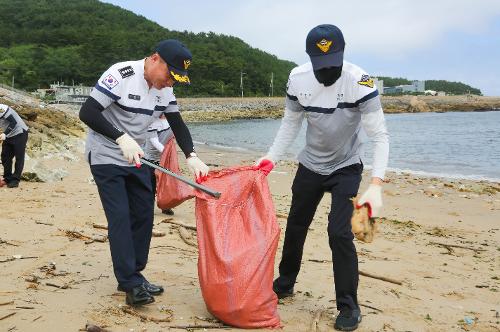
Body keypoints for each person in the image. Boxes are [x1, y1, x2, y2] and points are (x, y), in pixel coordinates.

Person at [255, 24, 389, 331]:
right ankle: (285, 282)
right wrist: (270, 159)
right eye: (320, 65)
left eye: (333, 64)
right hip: (311, 165)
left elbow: (380, 136)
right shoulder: (297, 79)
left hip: (346, 166)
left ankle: (348, 305)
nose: (326, 72)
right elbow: (290, 124)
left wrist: (376, 184)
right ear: (309, 58)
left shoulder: (361, 81)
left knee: (339, 233)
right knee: (296, 223)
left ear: (343, 55)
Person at [79, 39, 209, 306]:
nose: (170, 82)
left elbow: (178, 124)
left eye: (176, 79)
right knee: (120, 217)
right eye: (169, 75)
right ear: (154, 59)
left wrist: (192, 156)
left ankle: (135, 273)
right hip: (106, 154)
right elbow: (88, 111)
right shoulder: (122, 74)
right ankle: (129, 283)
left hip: (137, 158)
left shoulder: (165, 90)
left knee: (143, 216)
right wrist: (119, 138)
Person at [144, 114, 174, 215]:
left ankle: (166, 206)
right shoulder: (151, 122)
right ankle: (149, 207)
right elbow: (154, 142)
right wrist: (166, 152)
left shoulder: (172, 121)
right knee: (151, 185)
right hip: (150, 159)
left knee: (166, 184)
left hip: (165, 158)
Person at [0, 104, 29, 188]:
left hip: (20, 133)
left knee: (19, 157)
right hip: (9, 134)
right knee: (5, 156)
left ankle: (15, 180)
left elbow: (13, 122)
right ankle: (8, 178)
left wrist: (5, 134)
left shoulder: (1, 109)